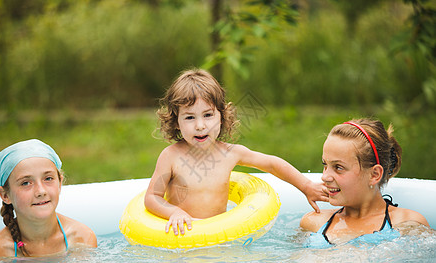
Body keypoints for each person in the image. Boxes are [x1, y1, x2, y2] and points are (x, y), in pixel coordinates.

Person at [145, 68, 328, 235]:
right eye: (190, 117)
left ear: (221, 117)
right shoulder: (171, 156)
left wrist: (306, 186)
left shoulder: (231, 153)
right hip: (183, 241)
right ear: (177, 122)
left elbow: (271, 164)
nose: (200, 126)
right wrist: (174, 212)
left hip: (219, 238)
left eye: (208, 115)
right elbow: (153, 197)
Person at [300, 119, 429, 248]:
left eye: (338, 167)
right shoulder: (314, 223)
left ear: (374, 175)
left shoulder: (407, 225)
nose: (325, 177)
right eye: (325, 165)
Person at [0, 139, 97, 258]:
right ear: (5, 195)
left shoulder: (81, 238)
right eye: (26, 183)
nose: (41, 191)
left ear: (59, 183)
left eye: (48, 178)